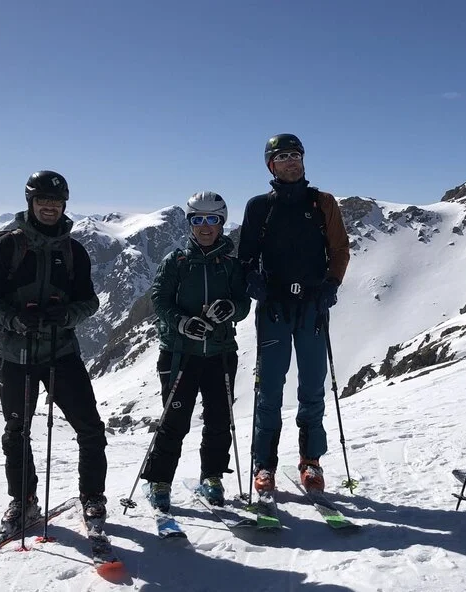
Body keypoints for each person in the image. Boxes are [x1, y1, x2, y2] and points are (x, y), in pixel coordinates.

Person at [0, 170, 108, 533]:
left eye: (55, 201)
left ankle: (93, 498)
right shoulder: (8, 246)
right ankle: (23, 501)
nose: (49, 207)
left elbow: (89, 301)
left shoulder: (74, 251)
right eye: (42, 200)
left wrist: (66, 315)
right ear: (30, 202)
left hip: (60, 351)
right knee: (16, 432)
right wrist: (16, 320)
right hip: (15, 356)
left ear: (64, 204)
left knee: (90, 429)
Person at [237, 133, 350, 495]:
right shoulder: (259, 207)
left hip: (312, 307)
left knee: (313, 387)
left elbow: (340, 249)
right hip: (274, 307)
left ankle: (311, 461)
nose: (291, 161)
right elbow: (246, 257)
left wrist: (332, 283)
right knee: (269, 389)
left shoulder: (322, 203)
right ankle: (264, 465)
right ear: (271, 164)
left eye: (296, 155)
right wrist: (253, 281)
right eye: (282, 156)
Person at [141, 191, 250, 511]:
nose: (205, 226)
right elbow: (159, 301)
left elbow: (243, 303)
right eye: (198, 219)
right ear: (189, 223)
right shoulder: (176, 261)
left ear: (221, 222)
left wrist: (229, 308)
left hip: (219, 353)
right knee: (174, 420)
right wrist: (183, 324)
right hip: (179, 353)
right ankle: (159, 481)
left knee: (219, 419)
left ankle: (212, 476)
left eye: (212, 220)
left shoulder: (230, 264)